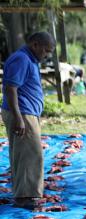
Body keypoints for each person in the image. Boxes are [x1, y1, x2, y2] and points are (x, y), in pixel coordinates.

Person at [1, 32, 55, 209]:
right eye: (46, 50)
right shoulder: (22, 59)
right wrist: (18, 117)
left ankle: (24, 194)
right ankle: (25, 197)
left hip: (28, 112)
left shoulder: (30, 59)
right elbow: (10, 88)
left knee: (26, 154)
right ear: (35, 45)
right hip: (22, 113)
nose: (46, 55)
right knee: (30, 155)